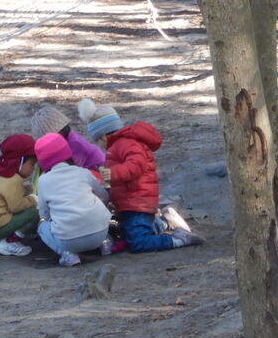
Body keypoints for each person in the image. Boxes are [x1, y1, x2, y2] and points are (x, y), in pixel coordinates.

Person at [79, 98, 202, 252]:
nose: (99, 146)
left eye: (97, 141)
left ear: (102, 136)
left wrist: (112, 174)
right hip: (129, 202)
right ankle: (161, 223)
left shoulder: (126, 144)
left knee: (138, 243)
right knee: (127, 232)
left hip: (138, 201)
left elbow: (136, 165)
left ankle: (177, 239)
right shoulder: (116, 148)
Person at [34, 132, 112, 267]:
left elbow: (44, 214)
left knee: (42, 227)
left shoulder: (43, 181)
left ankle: (67, 254)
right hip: (99, 233)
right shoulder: (82, 172)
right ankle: (105, 244)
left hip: (69, 241)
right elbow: (104, 195)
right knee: (96, 211)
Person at [30, 104, 106, 171]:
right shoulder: (69, 138)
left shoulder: (75, 144)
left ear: (58, 133)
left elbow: (72, 170)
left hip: (98, 172)